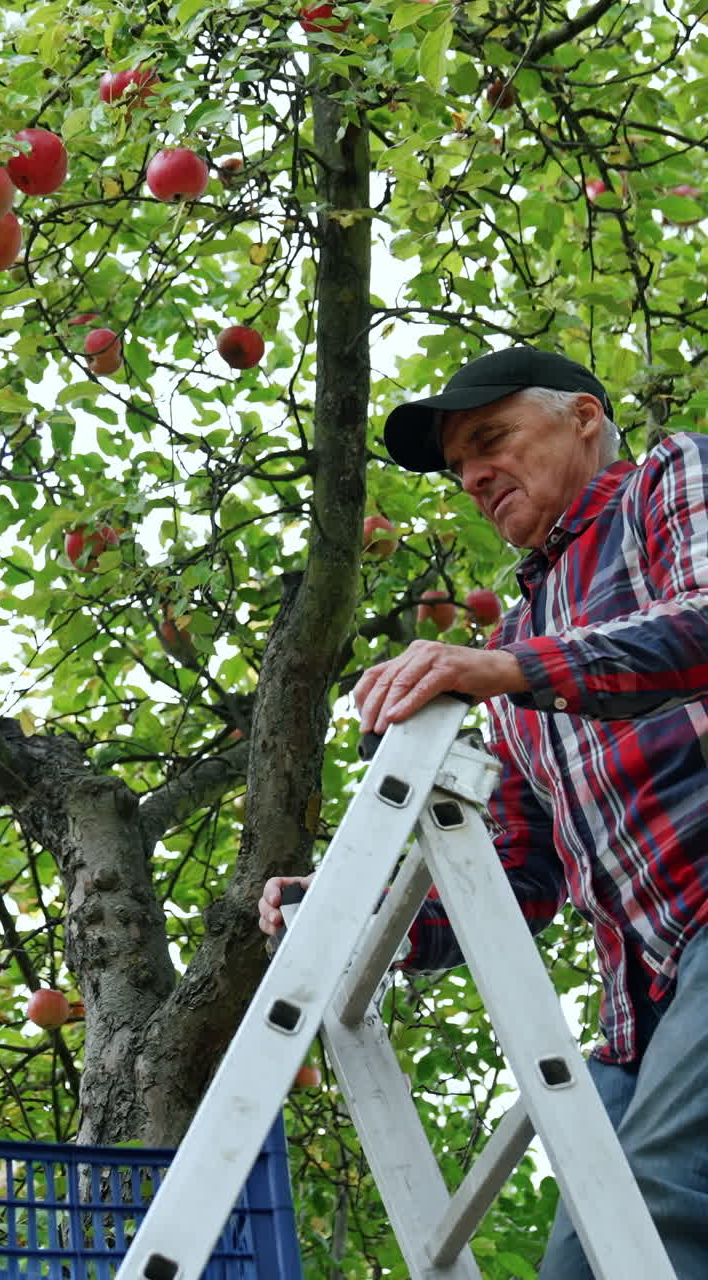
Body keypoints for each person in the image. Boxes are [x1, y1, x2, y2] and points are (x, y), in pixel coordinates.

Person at [258, 345, 708, 1279]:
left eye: (491, 441)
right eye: (461, 466)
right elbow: (520, 876)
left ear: (584, 417)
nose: (472, 478)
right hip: (647, 1005)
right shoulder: (514, 642)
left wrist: (506, 673)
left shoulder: (668, 478)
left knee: (663, 1201)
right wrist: (354, 920)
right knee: (586, 1257)